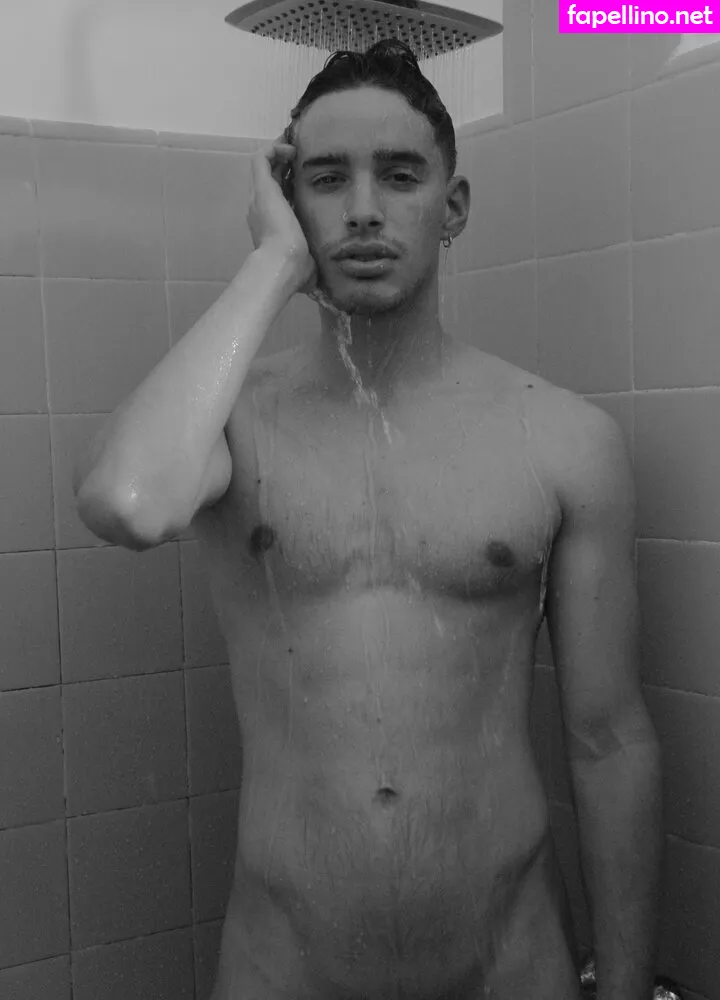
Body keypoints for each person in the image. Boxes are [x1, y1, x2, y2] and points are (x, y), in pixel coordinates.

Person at [74, 40, 663, 1000]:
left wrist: (627, 984)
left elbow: (609, 740)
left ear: (452, 207)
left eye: (398, 175)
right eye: (325, 180)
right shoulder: (233, 429)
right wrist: (272, 263)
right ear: (289, 203)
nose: (361, 210)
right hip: (283, 963)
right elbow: (127, 502)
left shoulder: (562, 439)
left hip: (512, 960)